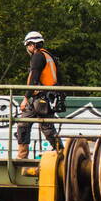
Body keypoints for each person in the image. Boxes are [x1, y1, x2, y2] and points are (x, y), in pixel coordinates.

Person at [15, 31, 61, 159]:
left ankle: (61, 153)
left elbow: (34, 79)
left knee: (46, 128)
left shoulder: (37, 57)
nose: (27, 49)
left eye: (28, 45)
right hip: (44, 97)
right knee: (24, 125)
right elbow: (59, 78)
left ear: (32, 45)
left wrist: (25, 98)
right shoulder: (49, 56)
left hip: (41, 97)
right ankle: (22, 155)